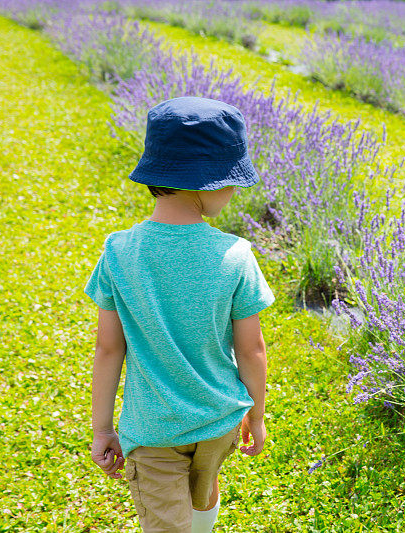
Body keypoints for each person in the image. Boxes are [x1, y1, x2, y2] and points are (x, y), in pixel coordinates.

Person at [84, 96, 275, 532]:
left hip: (153, 429)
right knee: (203, 491)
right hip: (218, 419)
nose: (234, 193)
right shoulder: (236, 255)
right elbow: (253, 351)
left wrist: (101, 430)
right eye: (232, 182)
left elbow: (108, 347)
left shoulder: (119, 252)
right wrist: (257, 416)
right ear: (209, 183)